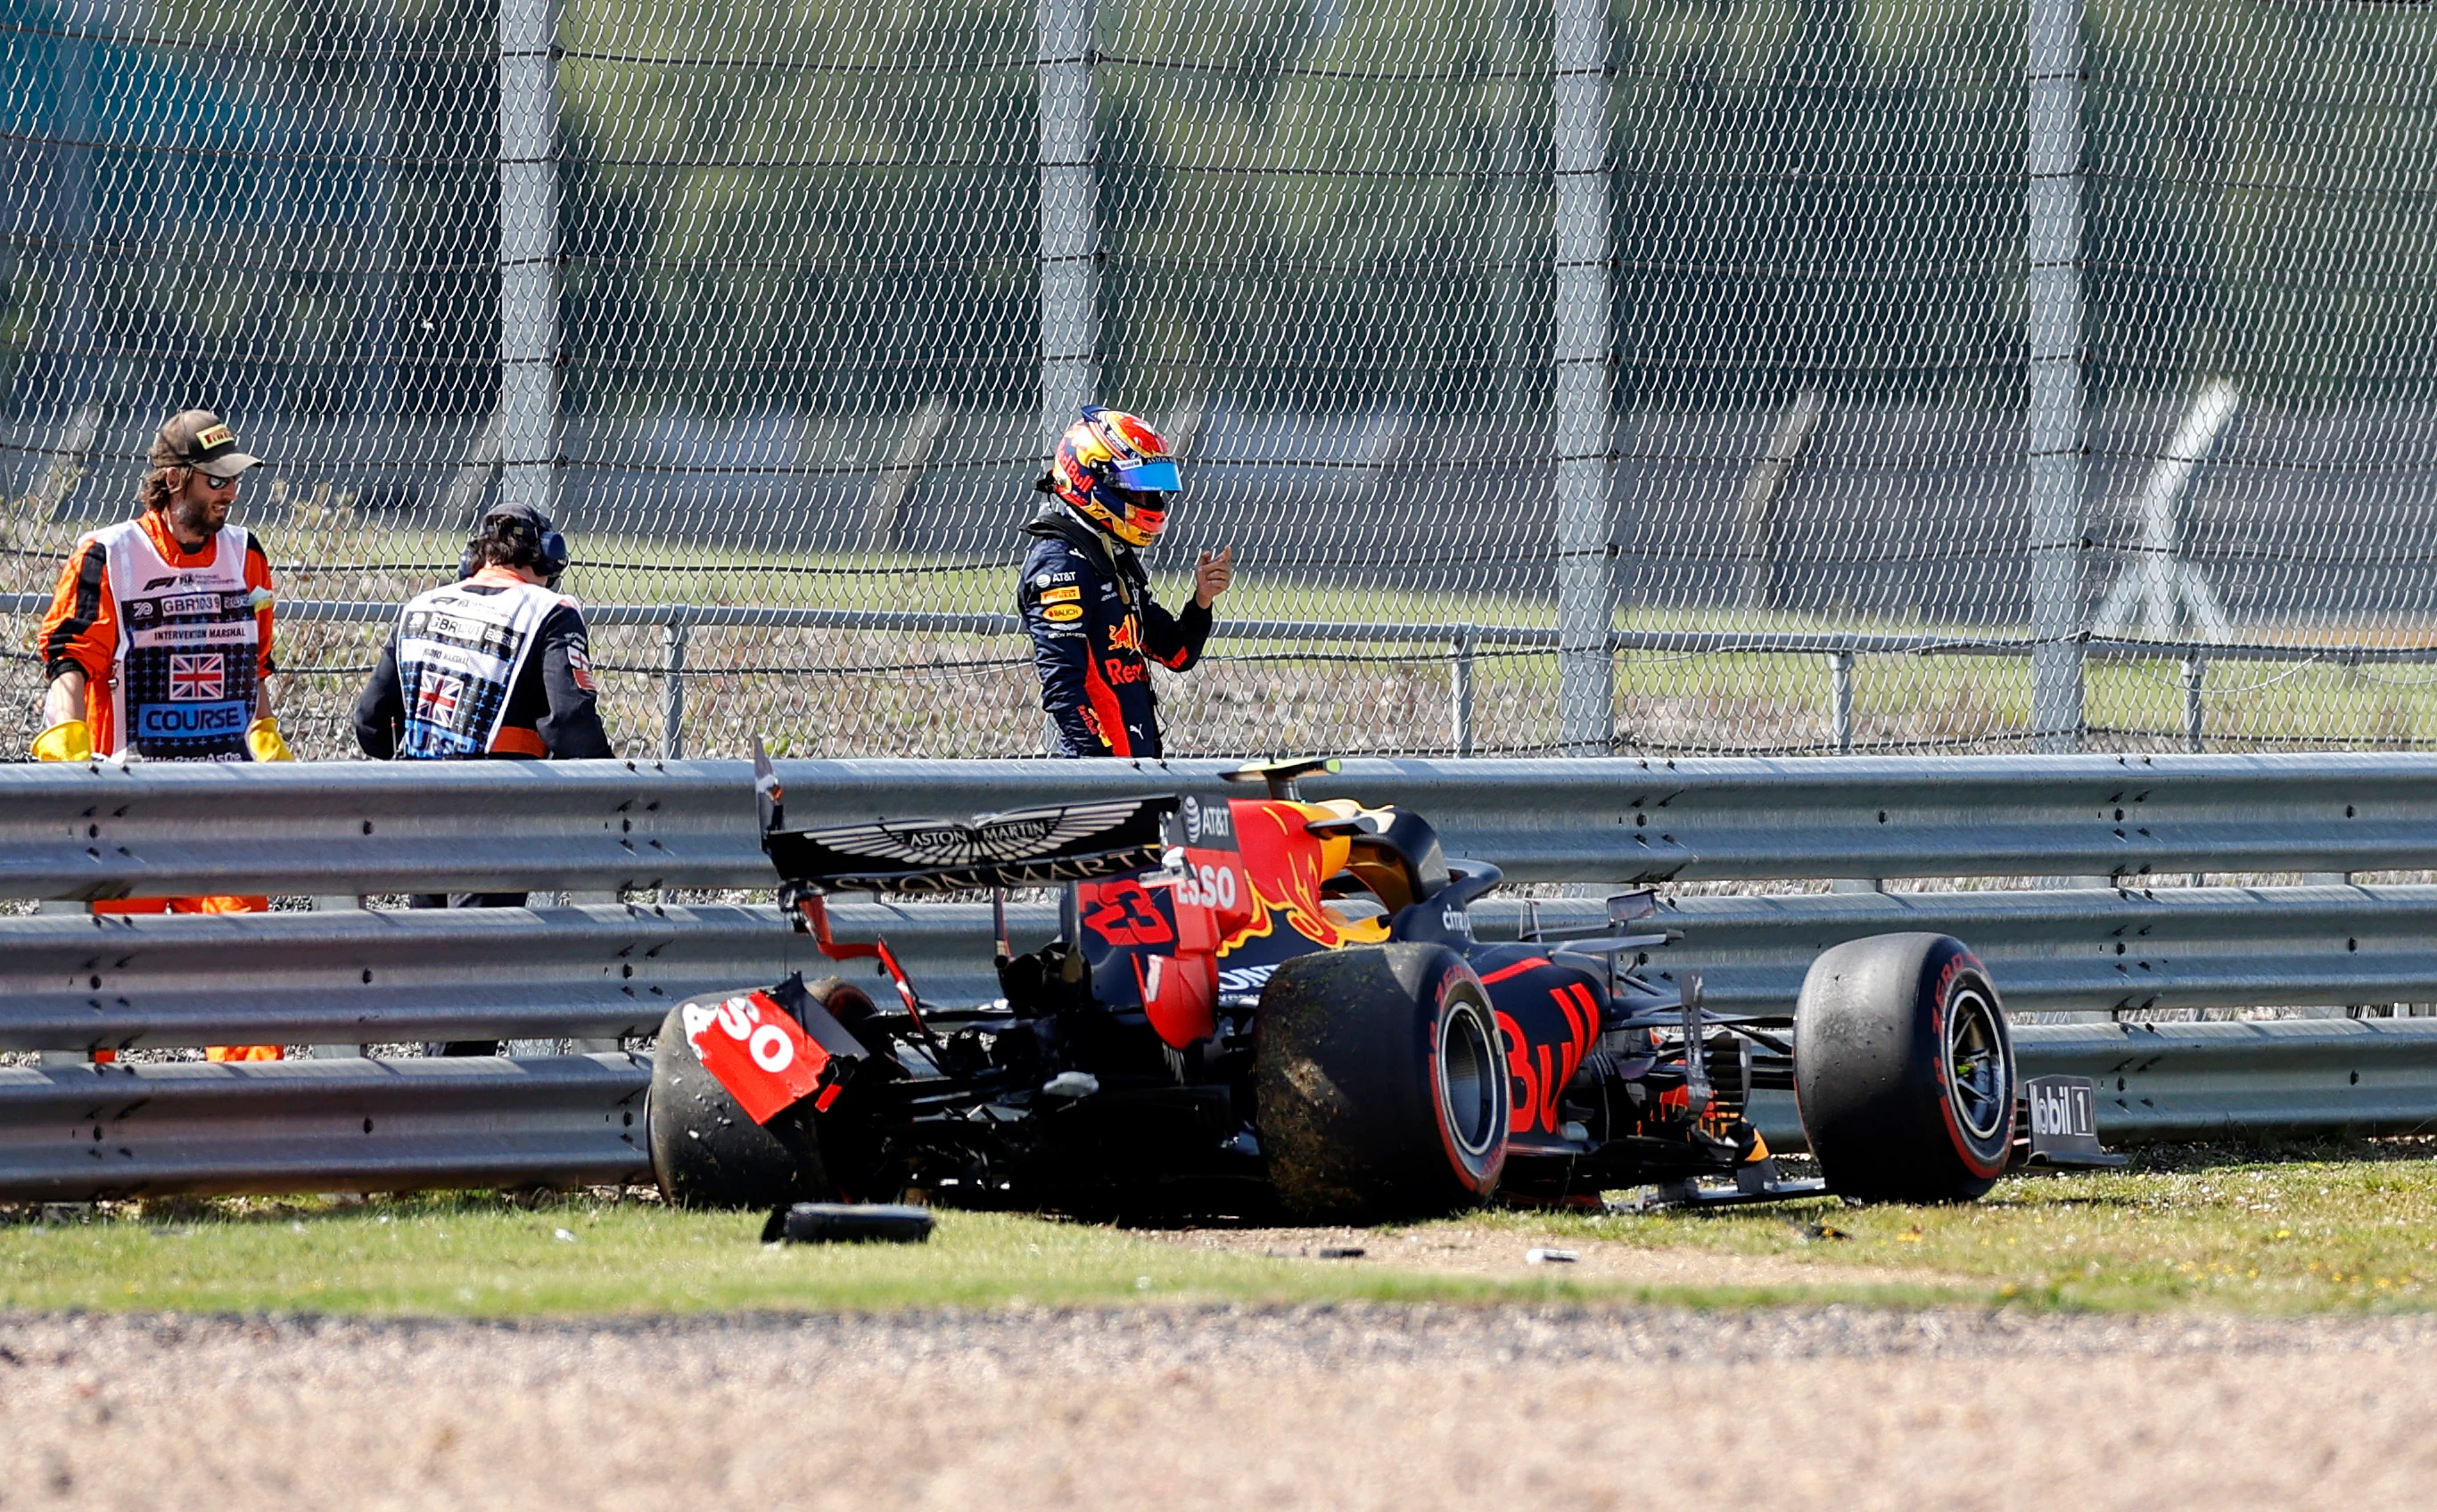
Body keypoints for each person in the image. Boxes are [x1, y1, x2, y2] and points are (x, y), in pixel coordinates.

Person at [32, 408, 292, 1063]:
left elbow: (255, 664)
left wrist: (265, 730)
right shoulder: (110, 554)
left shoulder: (246, 554)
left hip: (223, 806)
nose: (231, 492)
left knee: (246, 981)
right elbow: (69, 661)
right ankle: (84, 1112)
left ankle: (251, 1116)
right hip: (131, 811)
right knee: (104, 982)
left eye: (234, 479)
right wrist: (65, 742)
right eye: (216, 480)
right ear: (175, 479)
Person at [353, 499, 612, 1056]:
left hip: (417, 809)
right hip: (495, 817)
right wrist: (613, 791)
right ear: (546, 558)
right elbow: (569, 722)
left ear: (478, 554)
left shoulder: (420, 606)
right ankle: (460, 1101)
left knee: (435, 981)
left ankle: (434, 1092)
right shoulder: (549, 610)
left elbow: (371, 723)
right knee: (477, 984)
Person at [1020, 406, 1232, 758]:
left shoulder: (1110, 557)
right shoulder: (1061, 564)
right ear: (1090, 479)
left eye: (1151, 491)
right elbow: (1064, 689)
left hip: (1138, 767)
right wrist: (1103, 771)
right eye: (1136, 490)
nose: (1148, 501)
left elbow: (1177, 653)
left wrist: (1202, 600)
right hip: (1102, 776)